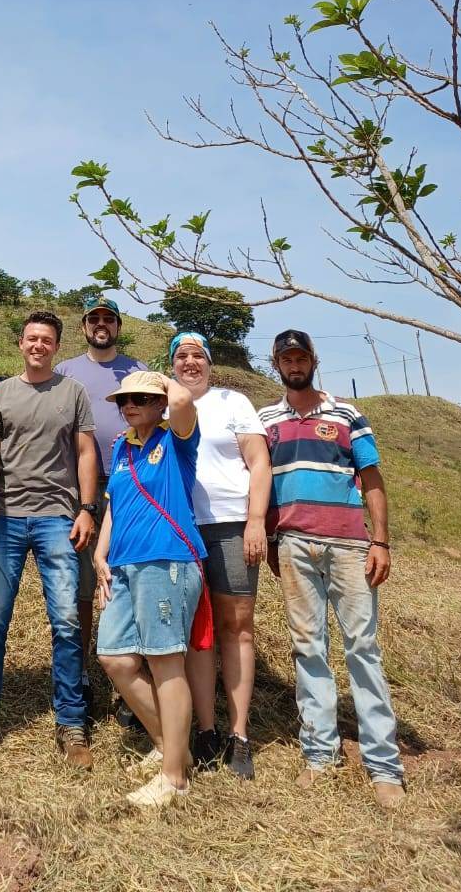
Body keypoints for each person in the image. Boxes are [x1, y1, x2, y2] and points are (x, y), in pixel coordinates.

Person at [258, 329, 406, 809]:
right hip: (294, 544)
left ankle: (384, 766)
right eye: (287, 358)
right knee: (308, 648)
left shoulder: (347, 413)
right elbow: (261, 485)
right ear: (276, 363)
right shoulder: (267, 420)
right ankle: (320, 755)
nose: (295, 364)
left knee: (363, 647)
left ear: (313, 360)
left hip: (348, 546)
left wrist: (380, 541)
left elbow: (373, 481)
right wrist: (273, 538)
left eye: (301, 357)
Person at [0, 310, 99, 770]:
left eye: (47, 340)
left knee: (65, 622)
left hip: (58, 520)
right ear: (20, 344)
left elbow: (85, 451)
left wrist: (86, 508)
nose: (38, 345)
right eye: (31, 339)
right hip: (4, 518)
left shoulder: (73, 392)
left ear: (56, 347)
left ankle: (72, 721)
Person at [94, 370, 205, 808]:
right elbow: (114, 507)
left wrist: (163, 379)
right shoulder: (122, 445)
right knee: (115, 657)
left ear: (159, 402)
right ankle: (169, 747)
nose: (130, 405)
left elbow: (183, 403)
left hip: (167, 558)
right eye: (125, 399)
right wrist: (101, 553)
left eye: (142, 397)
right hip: (122, 564)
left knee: (164, 662)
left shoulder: (176, 439)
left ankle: (174, 777)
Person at [170, 331, 271, 780]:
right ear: (172, 363)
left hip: (232, 525)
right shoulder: (163, 403)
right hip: (182, 530)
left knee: (237, 628)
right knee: (198, 631)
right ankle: (206, 730)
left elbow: (259, 463)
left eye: (198, 356)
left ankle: (239, 734)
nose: (190, 362)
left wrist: (255, 521)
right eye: (181, 355)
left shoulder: (233, 402)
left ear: (209, 363)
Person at [54, 295, 147, 695]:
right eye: (95, 319)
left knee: (130, 572)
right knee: (82, 582)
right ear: (84, 326)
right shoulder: (66, 371)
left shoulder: (137, 370)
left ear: (118, 326)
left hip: (134, 482)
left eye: (109, 318)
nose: (102, 324)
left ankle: (132, 662)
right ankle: (82, 668)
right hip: (83, 487)